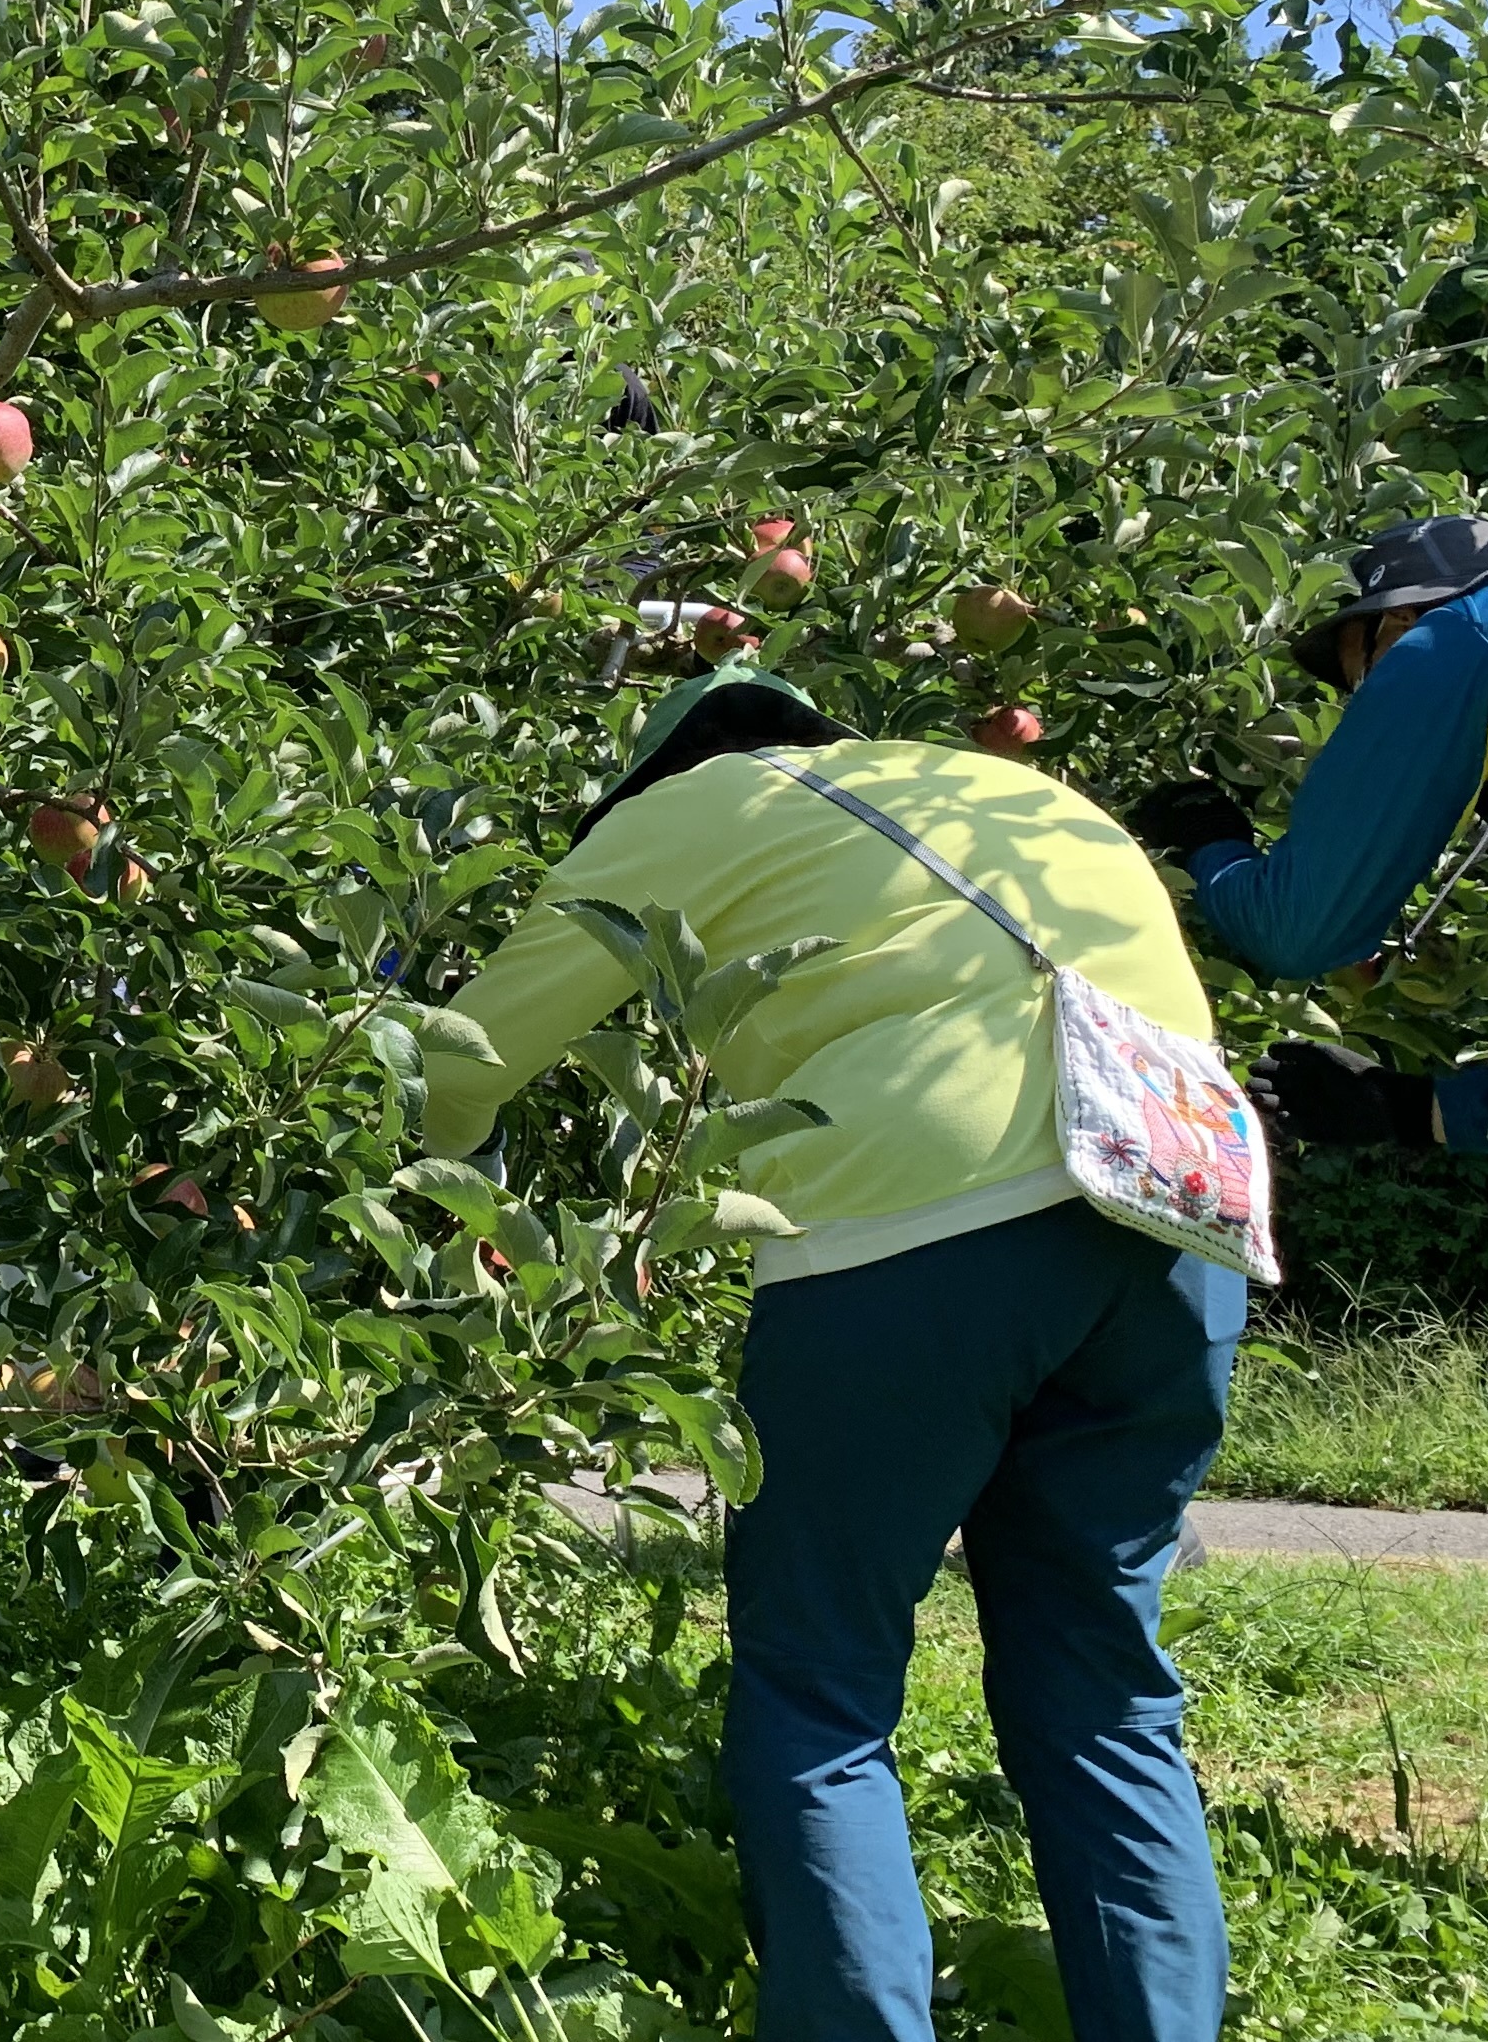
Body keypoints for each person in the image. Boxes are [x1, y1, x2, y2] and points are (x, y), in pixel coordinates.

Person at [425, 669, 1238, 2042]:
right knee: (1104, 1685)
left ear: (658, 778)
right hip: (1179, 1221)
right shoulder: (1010, 794)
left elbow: (461, 1061)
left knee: (820, 1684)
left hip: (922, 1229)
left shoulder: (696, 810)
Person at [1136, 515, 1488, 1160]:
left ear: (1399, 621)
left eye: (1361, 683)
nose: (1364, 707)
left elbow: (1295, 931)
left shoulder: (1459, 633)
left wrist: (1211, 841)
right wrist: (1413, 1112)